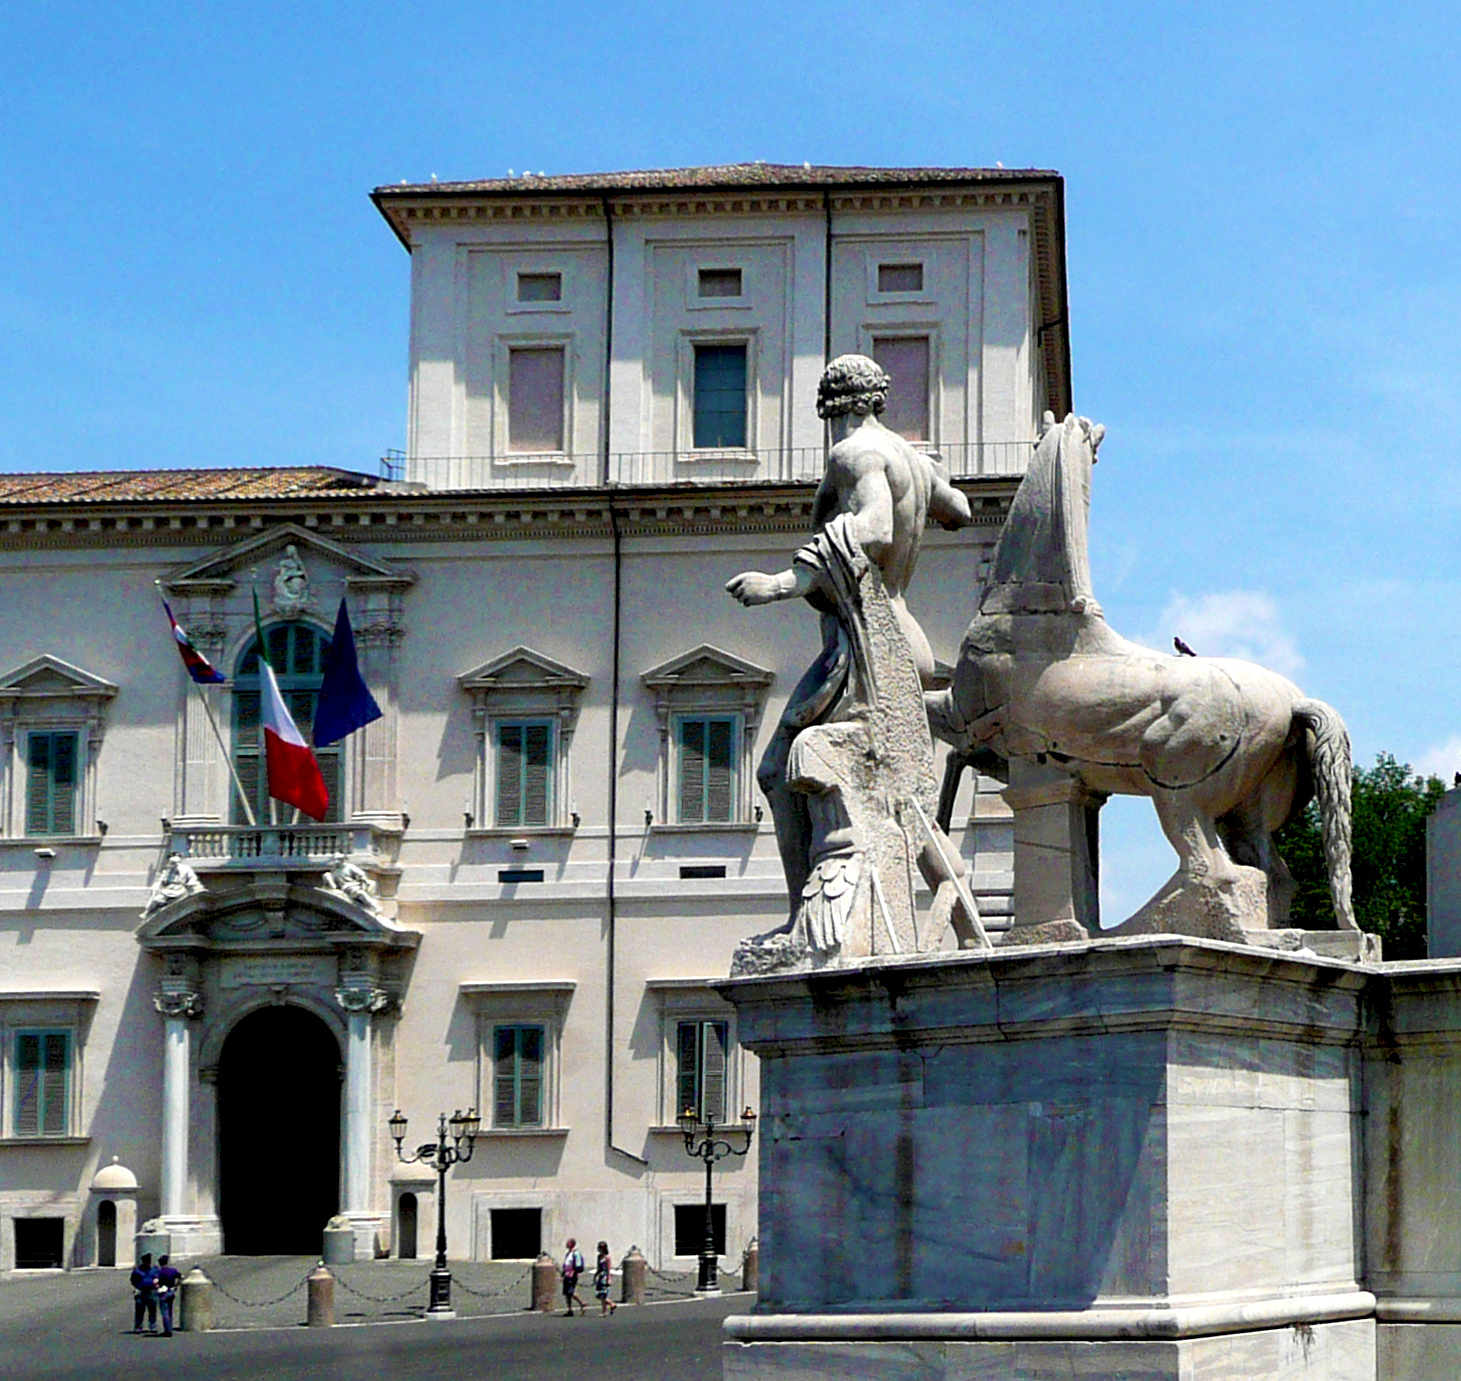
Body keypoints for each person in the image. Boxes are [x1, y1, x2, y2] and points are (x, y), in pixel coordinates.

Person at [726, 354, 973, 912]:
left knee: (777, 770)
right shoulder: (908, 456)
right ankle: (962, 919)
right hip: (907, 640)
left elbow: (875, 529)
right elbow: (958, 509)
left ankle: (805, 915)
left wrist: (781, 583)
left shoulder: (852, 453)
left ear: (827, 406)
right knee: (904, 796)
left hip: (864, 645)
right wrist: (926, 479)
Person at [154, 1254, 182, 1337]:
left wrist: (157, 1288)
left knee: (164, 1312)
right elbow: (180, 1276)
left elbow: (155, 1281)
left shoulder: (159, 1272)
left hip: (163, 1292)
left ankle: (167, 1330)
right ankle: (170, 1327)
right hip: (171, 1291)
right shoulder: (172, 1270)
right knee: (170, 1311)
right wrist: (176, 1286)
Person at [129, 1252, 157, 1334]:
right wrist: (137, 1287)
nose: (147, 1263)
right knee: (139, 1310)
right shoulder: (137, 1271)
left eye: (149, 1261)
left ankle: (152, 1326)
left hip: (152, 1291)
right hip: (141, 1292)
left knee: (152, 1310)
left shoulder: (154, 1269)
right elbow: (133, 1280)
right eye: (146, 1261)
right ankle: (138, 1327)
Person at [561, 1237, 586, 1316]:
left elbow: (578, 1265)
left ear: (572, 1244)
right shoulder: (568, 1253)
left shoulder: (576, 1253)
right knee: (566, 1293)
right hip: (566, 1274)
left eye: (568, 1242)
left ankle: (582, 1302)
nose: (566, 1244)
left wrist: (573, 1272)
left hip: (572, 1275)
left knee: (571, 1292)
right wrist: (563, 1273)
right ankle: (569, 1309)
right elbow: (566, 1264)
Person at [593, 1241, 616, 1316]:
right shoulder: (599, 1257)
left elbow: (609, 1269)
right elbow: (598, 1268)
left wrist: (609, 1278)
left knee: (603, 1295)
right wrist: (595, 1275)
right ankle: (611, 1304)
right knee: (598, 1294)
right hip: (600, 1276)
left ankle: (604, 1312)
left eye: (600, 1247)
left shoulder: (607, 1258)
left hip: (605, 1277)